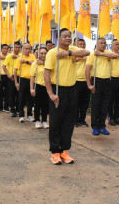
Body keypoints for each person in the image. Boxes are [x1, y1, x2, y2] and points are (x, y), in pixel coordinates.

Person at [44, 29, 90, 165]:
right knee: (56, 121)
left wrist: (68, 53)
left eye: (69, 36)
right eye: (64, 36)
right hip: (58, 90)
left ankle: (64, 150)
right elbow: (47, 74)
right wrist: (51, 94)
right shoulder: (52, 53)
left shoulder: (72, 50)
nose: (68, 39)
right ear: (59, 39)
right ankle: (55, 152)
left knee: (69, 121)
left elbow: (87, 53)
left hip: (72, 89)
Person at [85, 38, 118, 136]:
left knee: (105, 105)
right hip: (96, 81)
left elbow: (115, 56)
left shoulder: (108, 53)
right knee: (96, 105)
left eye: (105, 43)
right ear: (97, 44)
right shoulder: (92, 55)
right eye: (101, 43)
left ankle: (102, 126)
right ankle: (94, 126)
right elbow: (87, 70)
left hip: (107, 81)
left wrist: (102, 54)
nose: (103, 45)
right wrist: (89, 84)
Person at [15, 43, 36, 123]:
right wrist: (16, 82)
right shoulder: (19, 58)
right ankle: (21, 115)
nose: (28, 50)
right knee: (21, 98)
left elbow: (34, 64)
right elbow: (15, 70)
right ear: (22, 49)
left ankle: (29, 115)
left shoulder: (33, 56)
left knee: (30, 98)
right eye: (26, 48)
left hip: (31, 79)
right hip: (22, 79)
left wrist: (26, 61)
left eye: (29, 48)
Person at [30, 47, 49, 129]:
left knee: (46, 105)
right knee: (37, 104)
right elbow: (32, 77)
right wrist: (32, 88)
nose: (43, 55)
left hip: (48, 86)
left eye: (45, 53)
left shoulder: (49, 62)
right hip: (38, 86)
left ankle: (44, 121)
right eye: (41, 53)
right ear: (38, 54)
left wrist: (43, 63)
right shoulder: (35, 64)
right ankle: (37, 120)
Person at [74, 39, 90, 127]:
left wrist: (82, 58)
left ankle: (82, 119)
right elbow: (76, 59)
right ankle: (75, 119)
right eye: (80, 44)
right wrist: (80, 57)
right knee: (76, 101)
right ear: (76, 45)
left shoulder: (88, 54)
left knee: (85, 102)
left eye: (84, 44)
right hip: (76, 80)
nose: (82, 46)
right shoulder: (74, 54)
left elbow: (88, 58)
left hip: (86, 81)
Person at [2, 42, 21, 117]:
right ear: (13, 47)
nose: (17, 49)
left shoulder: (21, 56)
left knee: (19, 94)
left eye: (18, 47)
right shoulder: (9, 56)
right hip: (11, 77)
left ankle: (19, 109)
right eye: (15, 47)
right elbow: (4, 66)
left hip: (20, 76)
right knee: (11, 93)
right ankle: (13, 110)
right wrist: (8, 74)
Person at [0, 44, 9, 112]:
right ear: (1, 49)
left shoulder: (9, 56)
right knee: (0, 92)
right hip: (0, 75)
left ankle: (6, 107)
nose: (5, 50)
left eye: (7, 49)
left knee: (7, 92)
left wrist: (5, 58)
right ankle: (0, 107)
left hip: (8, 75)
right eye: (4, 48)